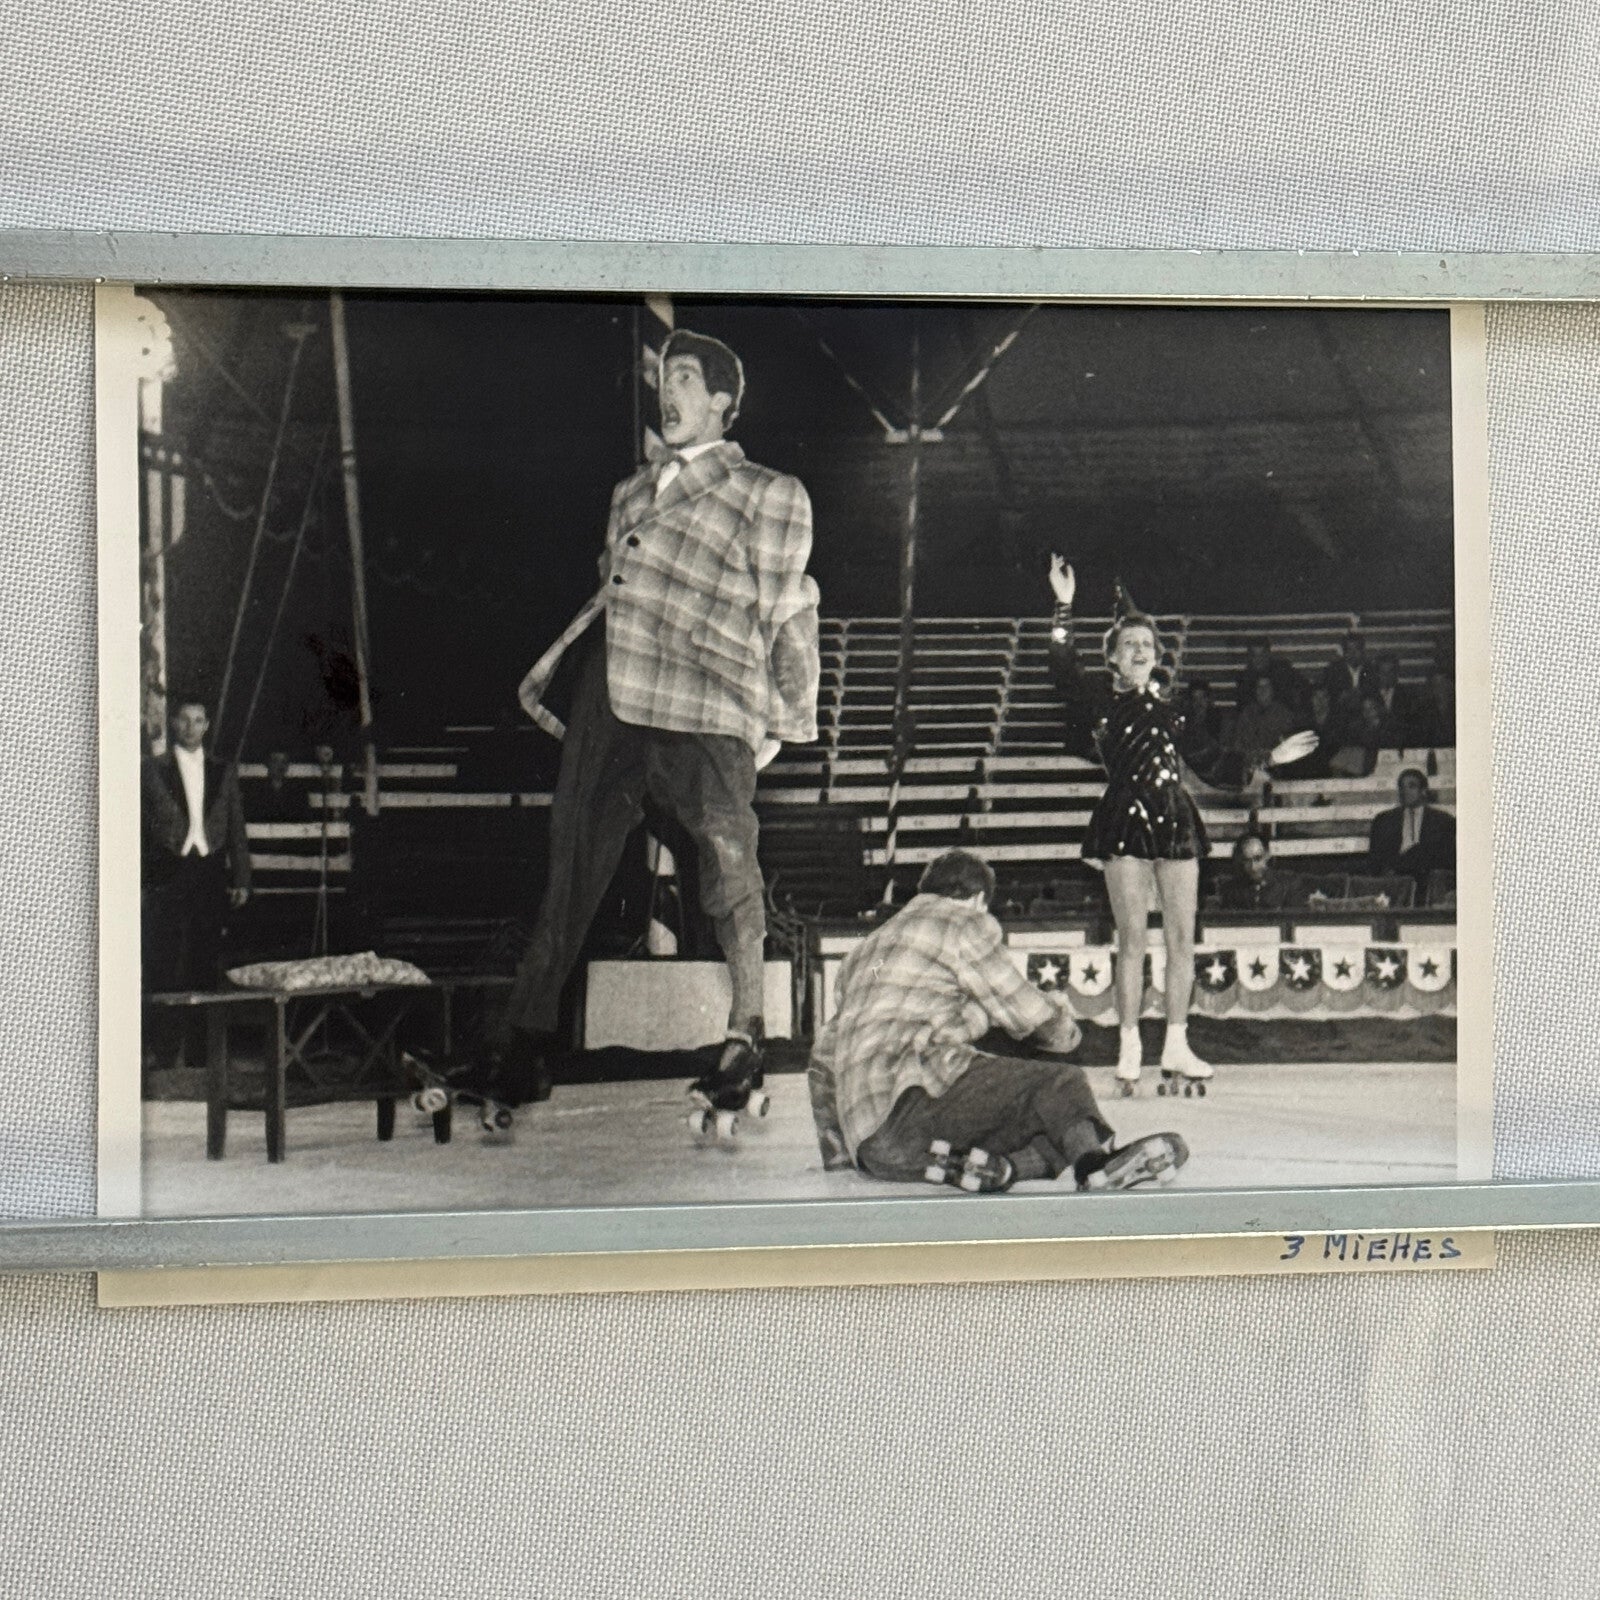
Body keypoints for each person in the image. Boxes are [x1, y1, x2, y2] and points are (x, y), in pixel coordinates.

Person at [490, 329, 821, 1111]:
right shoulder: (628, 492)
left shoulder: (770, 491)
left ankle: (747, 1035)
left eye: (686, 377)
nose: (667, 391)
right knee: (569, 862)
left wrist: (781, 712)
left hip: (708, 694)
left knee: (727, 864)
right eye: (663, 377)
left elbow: (786, 607)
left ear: (722, 403)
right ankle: (522, 1041)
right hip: (613, 692)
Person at [1047, 556, 1316, 1092]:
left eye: (1147, 645)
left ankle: (1175, 1042)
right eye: (1129, 646)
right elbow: (1061, 668)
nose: (1140, 651)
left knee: (1181, 941)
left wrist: (1268, 759)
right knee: (1131, 940)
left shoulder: (1175, 713)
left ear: (1157, 656)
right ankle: (1128, 1047)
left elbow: (1215, 763)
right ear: (1114, 659)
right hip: (1124, 818)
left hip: (1175, 820)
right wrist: (1063, 607)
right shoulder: (1100, 700)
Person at [808, 849, 1189, 1193]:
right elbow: (1028, 1012)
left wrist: (841, 1155)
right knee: (1060, 1086)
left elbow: (824, 1056)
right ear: (977, 900)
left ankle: (1007, 1170)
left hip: (876, 1147)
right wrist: (1063, 1029)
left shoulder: (862, 954)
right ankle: (1094, 1166)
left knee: (1046, 1117)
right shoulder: (960, 921)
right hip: (915, 1103)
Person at [141, 696, 252, 1065]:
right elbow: (141, 828)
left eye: (199, 720)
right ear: (174, 724)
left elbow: (236, 825)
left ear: (207, 726)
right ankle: (164, 1051)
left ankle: (204, 1057)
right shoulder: (153, 769)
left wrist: (241, 877)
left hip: (209, 870)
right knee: (164, 959)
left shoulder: (223, 769)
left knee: (206, 960)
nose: (191, 727)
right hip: (167, 873)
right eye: (185, 720)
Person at [1368, 768, 1456, 891]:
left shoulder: (1443, 821)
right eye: (1402, 787)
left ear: (1424, 791)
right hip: (1396, 879)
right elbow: (1376, 859)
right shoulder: (1383, 820)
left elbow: (1447, 859)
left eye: (1412, 786)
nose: (1405, 791)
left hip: (1429, 879)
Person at [1210, 831, 1302, 912]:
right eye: (1246, 860)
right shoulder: (1231, 891)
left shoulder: (1288, 885)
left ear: (1267, 855)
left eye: (1257, 859)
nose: (1253, 867)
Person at [1227, 675, 1298, 775]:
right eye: (1259, 687)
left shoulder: (1284, 714)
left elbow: (1287, 745)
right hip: (1249, 767)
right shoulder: (1247, 713)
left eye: (1266, 687)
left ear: (1273, 690)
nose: (1262, 690)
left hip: (1275, 768)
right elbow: (1238, 743)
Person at [1236, 637, 1308, 718]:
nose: (1259, 659)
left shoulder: (1283, 670)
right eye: (1255, 655)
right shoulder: (1245, 679)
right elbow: (1242, 708)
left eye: (1262, 654)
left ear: (1268, 654)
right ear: (1249, 657)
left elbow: (1303, 687)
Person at [1322, 632, 1375, 717]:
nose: (1352, 654)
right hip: (1340, 717)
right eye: (1349, 650)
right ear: (1343, 652)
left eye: (1356, 649)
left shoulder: (1371, 670)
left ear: (1363, 651)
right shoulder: (1333, 671)